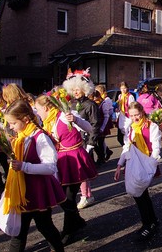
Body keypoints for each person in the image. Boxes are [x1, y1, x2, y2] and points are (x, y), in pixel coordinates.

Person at [3, 100, 65, 252]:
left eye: (13, 123)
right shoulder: (21, 136)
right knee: (19, 232)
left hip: (37, 191)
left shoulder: (39, 137)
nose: (11, 127)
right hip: (22, 191)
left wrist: (24, 166)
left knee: (45, 226)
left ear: (25, 119)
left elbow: (51, 167)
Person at [34, 95, 98, 244]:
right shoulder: (47, 121)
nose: (37, 112)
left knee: (67, 198)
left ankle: (69, 231)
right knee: (62, 197)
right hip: (61, 161)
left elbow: (90, 128)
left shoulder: (63, 115)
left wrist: (76, 120)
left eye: (38, 109)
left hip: (74, 160)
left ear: (46, 108)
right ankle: (77, 221)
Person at [114, 102, 161, 241]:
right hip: (133, 164)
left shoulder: (151, 126)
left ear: (142, 112)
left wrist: (151, 165)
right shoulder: (131, 128)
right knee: (142, 194)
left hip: (145, 163)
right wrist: (119, 165)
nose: (135, 118)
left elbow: (156, 147)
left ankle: (148, 224)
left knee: (139, 194)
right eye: (132, 115)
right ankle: (152, 221)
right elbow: (126, 146)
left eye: (137, 114)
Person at [63, 68, 100, 209]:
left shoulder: (90, 105)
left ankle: (85, 196)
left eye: (78, 89)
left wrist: (91, 143)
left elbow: (95, 124)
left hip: (85, 141)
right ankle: (87, 195)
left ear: (85, 89)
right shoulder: (70, 104)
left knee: (81, 171)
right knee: (79, 171)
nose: (76, 91)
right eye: (74, 89)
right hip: (73, 141)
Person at [96, 85, 114, 163]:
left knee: (100, 140)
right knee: (100, 141)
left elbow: (108, 113)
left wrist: (103, 127)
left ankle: (102, 157)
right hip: (101, 122)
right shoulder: (100, 100)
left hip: (104, 123)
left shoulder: (106, 101)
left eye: (97, 92)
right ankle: (107, 151)